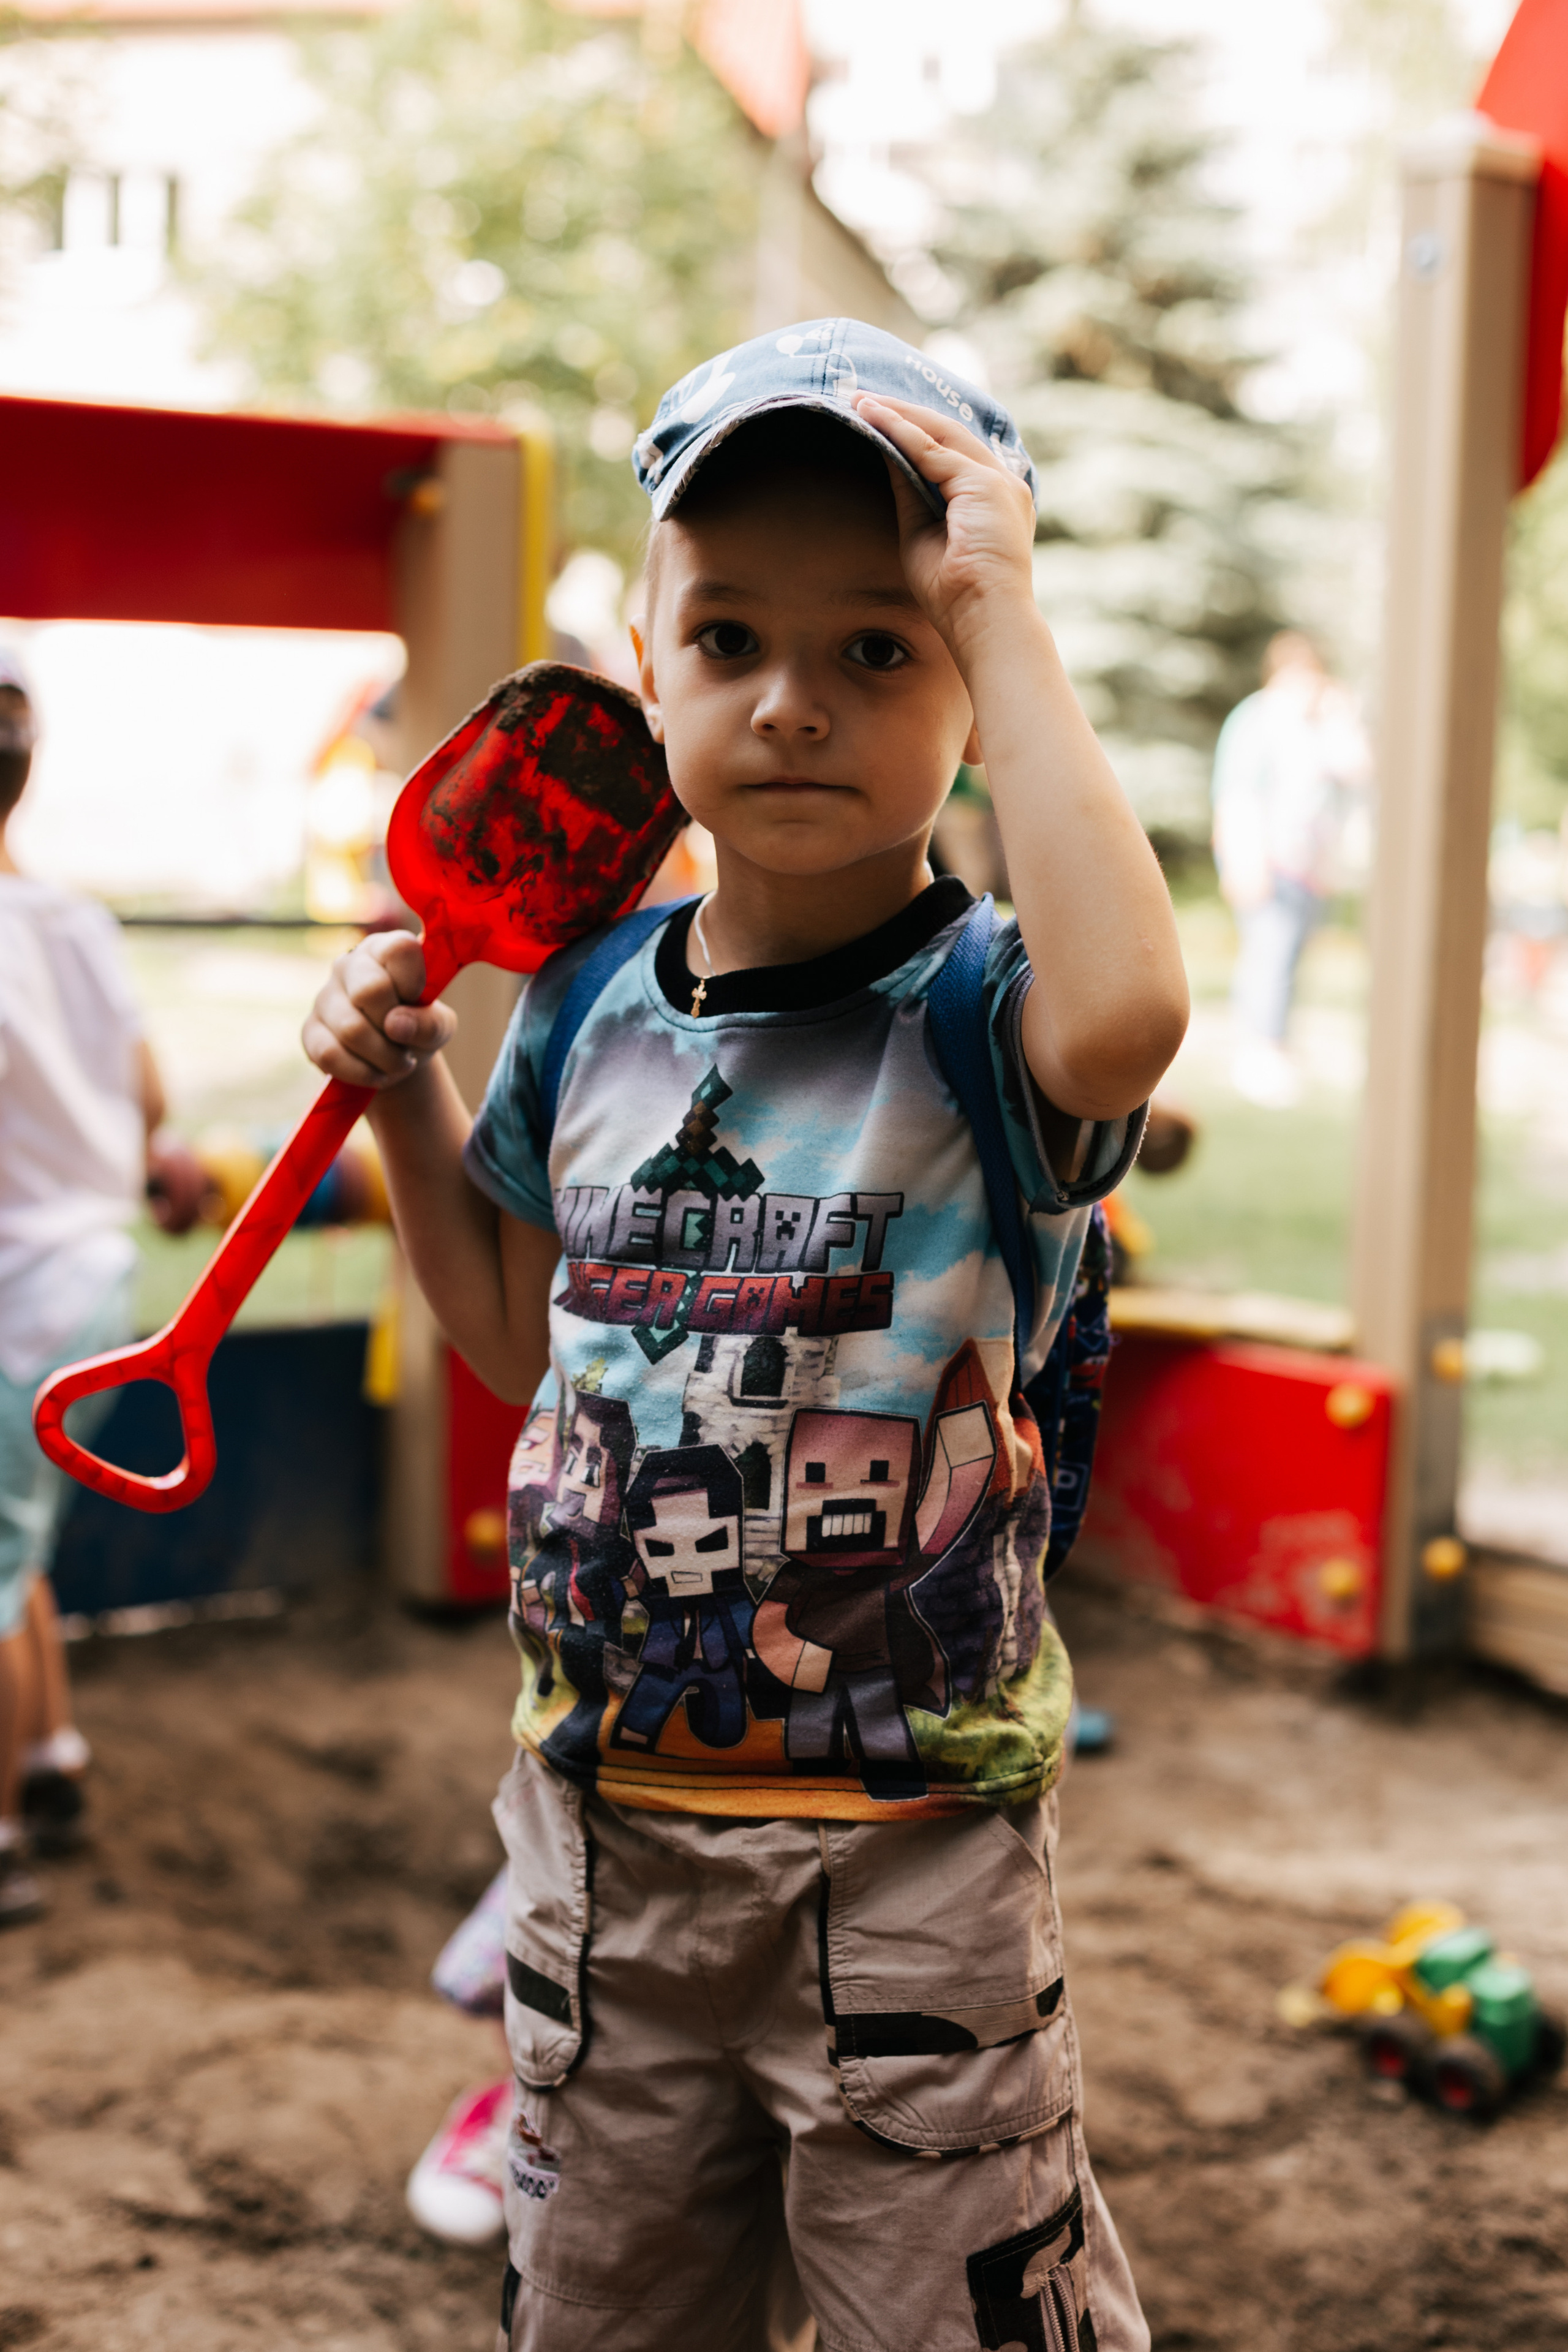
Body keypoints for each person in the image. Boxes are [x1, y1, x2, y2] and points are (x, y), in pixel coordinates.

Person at [305, 320, 1189, 2352]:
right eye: (729, 642)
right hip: (603, 1841)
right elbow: (517, 1341)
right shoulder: (587, 1003)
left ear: (974, 695)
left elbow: (1133, 1017)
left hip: (907, 1863)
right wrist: (407, 1104)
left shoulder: (988, 1010)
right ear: (649, 660)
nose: (793, 703)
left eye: (881, 648)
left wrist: (1006, 607)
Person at [0, 649, 167, 1924]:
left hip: (18, 1290)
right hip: (99, 1276)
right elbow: (151, 1095)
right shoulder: (70, 919)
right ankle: (50, 1758)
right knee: (18, 1539)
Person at [1211, 630, 1371, 1107]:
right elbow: (1236, 793)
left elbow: (1358, 769)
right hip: (1267, 860)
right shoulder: (1257, 719)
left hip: (1307, 867)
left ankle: (1276, 1046)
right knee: (1269, 955)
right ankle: (1259, 1053)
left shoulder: (1318, 728)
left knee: (1290, 957)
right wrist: (1243, 861)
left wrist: (1344, 717)